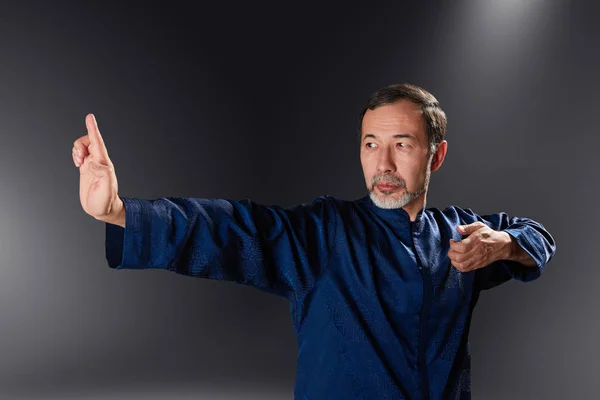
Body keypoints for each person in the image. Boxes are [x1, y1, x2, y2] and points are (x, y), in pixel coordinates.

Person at [71, 83, 556, 400]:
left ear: (436, 155)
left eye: (402, 144)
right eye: (371, 144)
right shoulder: (327, 233)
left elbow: (537, 236)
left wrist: (504, 244)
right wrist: (119, 211)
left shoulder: (463, 233)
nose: (383, 164)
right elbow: (230, 228)